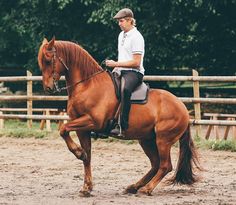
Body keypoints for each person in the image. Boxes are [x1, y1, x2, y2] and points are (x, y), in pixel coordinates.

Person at [106, 8, 145, 136]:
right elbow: (124, 56)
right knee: (105, 88)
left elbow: (136, 62)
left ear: (129, 21)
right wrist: (116, 67)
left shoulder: (137, 37)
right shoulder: (121, 35)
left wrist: (116, 64)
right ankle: (105, 124)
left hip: (134, 73)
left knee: (125, 90)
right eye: (118, 21)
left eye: (121, 21)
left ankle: (123, 126)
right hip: (121, 70)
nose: (119, 24)